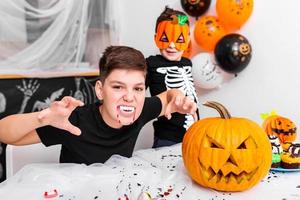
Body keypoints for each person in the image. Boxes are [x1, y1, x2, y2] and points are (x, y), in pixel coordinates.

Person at [0, 46, 197, 165]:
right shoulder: (75, 121)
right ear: (100, 90)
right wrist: (41, 116)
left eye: (137, 89)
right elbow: (5, 133)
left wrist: (176, 95)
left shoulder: (141, 109)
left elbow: (167, 98)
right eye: (118, 87)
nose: (129, 97)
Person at [146, 7, 199, 148]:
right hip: (167, 136)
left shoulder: (187, 63)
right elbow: (137, 91)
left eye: (179, 39)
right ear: (155, 37)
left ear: (187, 40)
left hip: (193, 134)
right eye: (165, 38)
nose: (171, 45)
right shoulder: (151, 63)